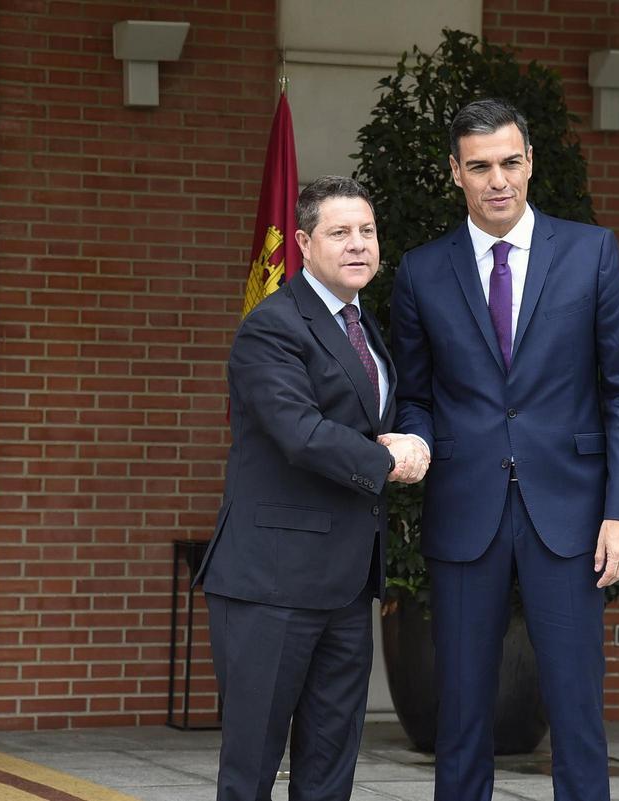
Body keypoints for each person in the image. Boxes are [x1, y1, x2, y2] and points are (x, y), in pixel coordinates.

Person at [390, 99, 619, 801]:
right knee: (462, 710)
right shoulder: (420, 272)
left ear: (530, 161)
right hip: (465, 506)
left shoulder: (593, 253)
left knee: (575, 707)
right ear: (456, 173)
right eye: (479, 166)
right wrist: (414, 436)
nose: (497, 179)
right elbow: (413, 392)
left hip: (568, 511)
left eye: (509, 162)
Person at [197, 175, 429, 801]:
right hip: (271, 582)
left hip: (346, 584)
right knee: (251, 769)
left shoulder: (365, 326)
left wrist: (415, 441)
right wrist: (388, 462)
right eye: (339, 233)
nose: (358, 245)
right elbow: (299, 431)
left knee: (330, 767)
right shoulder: (271, 327)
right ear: (302, 241)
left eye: (367, 231)